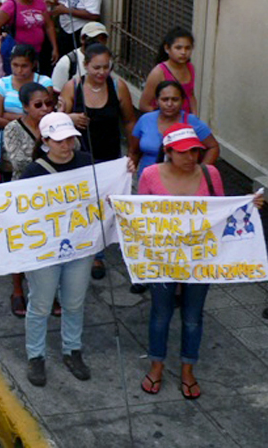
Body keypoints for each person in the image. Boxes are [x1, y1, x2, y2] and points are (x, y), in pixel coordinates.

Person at [136, 124, 260, 400]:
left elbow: (223, 211)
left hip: (200, 258)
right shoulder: (150, 175)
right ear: (167, 152)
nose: (191, 156)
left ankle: (188, 369)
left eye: (195, 150)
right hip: (163, 258)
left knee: (192, 316)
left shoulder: (210, 173)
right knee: (160, 313)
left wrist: (248, 204)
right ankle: (156, 366)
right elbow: (139, 213)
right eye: (183, 152)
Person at [8, 113, 96, 387]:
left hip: (79, 247)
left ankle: (73, 349)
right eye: (59, 140)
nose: (66, 145)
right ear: (45, 141)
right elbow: (17, 207)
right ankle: (36, 355)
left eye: (70, 138)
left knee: (74, 302)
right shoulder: (33, 171)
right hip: (45, 251)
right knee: (41, 304)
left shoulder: (87, 161)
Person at [0, 82, 54, 317]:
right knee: (21, 243)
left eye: (48, 104)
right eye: (38, 105)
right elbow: (19, 162)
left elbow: (71, 150)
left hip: (51, 194)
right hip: (23, 192)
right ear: (25, 107)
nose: (45, 109)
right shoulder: (13, 128)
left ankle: (48, 291)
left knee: (48, 244)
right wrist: (43, 143)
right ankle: (17, 289)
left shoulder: (56, 124)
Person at [58, 43, 136, 166]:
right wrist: (69, 118)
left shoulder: (118, 87)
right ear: (85, 65)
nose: (102, 72)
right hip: (78, 157)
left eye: (106, 67)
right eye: (96, 68)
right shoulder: (72, 87)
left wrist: (132, 152)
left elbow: (129, 121)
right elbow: (57, 121)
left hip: (110, 157)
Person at [130, 80, 218, 180]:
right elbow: (134, 152)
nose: (170, 104)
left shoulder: (192, 122)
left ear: (182, 101)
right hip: (147, 181)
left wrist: (201, 172)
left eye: (175, 99)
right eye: (165, 99)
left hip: (183, 182)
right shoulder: (145, 120)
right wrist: (128, 176)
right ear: (157, 101)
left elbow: (213, 147)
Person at [0, 0, 58, 74]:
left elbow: (49, 25)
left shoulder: (40, 3)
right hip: (16, 54)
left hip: (36, 52)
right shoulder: (10, 5)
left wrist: (54, 47)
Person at [0, 44, 53, 128]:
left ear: (33, 65)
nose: (19, 70)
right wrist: (18, 128)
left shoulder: (44, 83)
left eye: (24, 66)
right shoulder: (2, 84)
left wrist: (8, 115)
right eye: (15, 65)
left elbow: (45, 113)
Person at [139, 27, 198, 115]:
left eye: (187, 48)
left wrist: (194, 117)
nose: (183, 52)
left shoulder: (190, 68)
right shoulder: (158, 72)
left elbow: (191, 95)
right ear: (167, 48)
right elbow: (144, 105)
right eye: (178, 48)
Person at [50, 21, 108, 94]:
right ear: (82, 39)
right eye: (95, 39)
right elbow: (56, 92)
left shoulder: (107, 60)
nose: (100, 42)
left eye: (103, 39)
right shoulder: (67, 62)